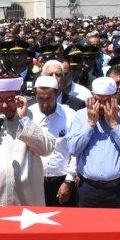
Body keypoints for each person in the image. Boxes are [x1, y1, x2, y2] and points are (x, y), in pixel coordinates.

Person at [0, 76, 55, 206]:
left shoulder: (33, 116)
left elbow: (47, 149)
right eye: (0, 100)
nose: (5, 105)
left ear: (19, 98)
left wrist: (24, 120)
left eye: (10, 100)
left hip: (27, 201)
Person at [67, 76, 120, 208]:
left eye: (105, 101)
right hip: (88, 188)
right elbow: (73, 149)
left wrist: (114, 125)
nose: (100, 105)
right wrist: (90, 124)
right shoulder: (80, 115)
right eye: (97, 100)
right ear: (92, 97)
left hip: (118, 189)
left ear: (114, 98)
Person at [28, 75, 77, 206]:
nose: (45, 104)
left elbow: (76, 151)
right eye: (40, 99)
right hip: (34, 181)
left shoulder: (70, 115)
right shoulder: (28, 114)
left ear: (57, 94)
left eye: (49, 98)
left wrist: (69, 181)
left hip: (62, 182)